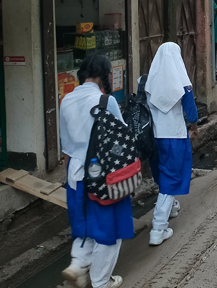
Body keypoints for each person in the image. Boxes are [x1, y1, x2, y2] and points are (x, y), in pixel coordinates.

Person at [60, 55, 132, 288]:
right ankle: (101, 282)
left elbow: (66, 145)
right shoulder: (106, 101)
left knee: (84, 222)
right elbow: (123, 138)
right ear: (105, 76)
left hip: (75, 173)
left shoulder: (66, 100)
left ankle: (77, 265)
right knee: (108, 229)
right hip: (102, 174)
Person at [144, 43, 198, 246]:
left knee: (162, 174)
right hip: (174, 135)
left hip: (155, 137)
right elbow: (191, 112)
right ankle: (158, 228)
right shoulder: (182, 82)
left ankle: (172, 207)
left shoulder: (149, 82)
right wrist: (193, 126)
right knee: (172, 177)